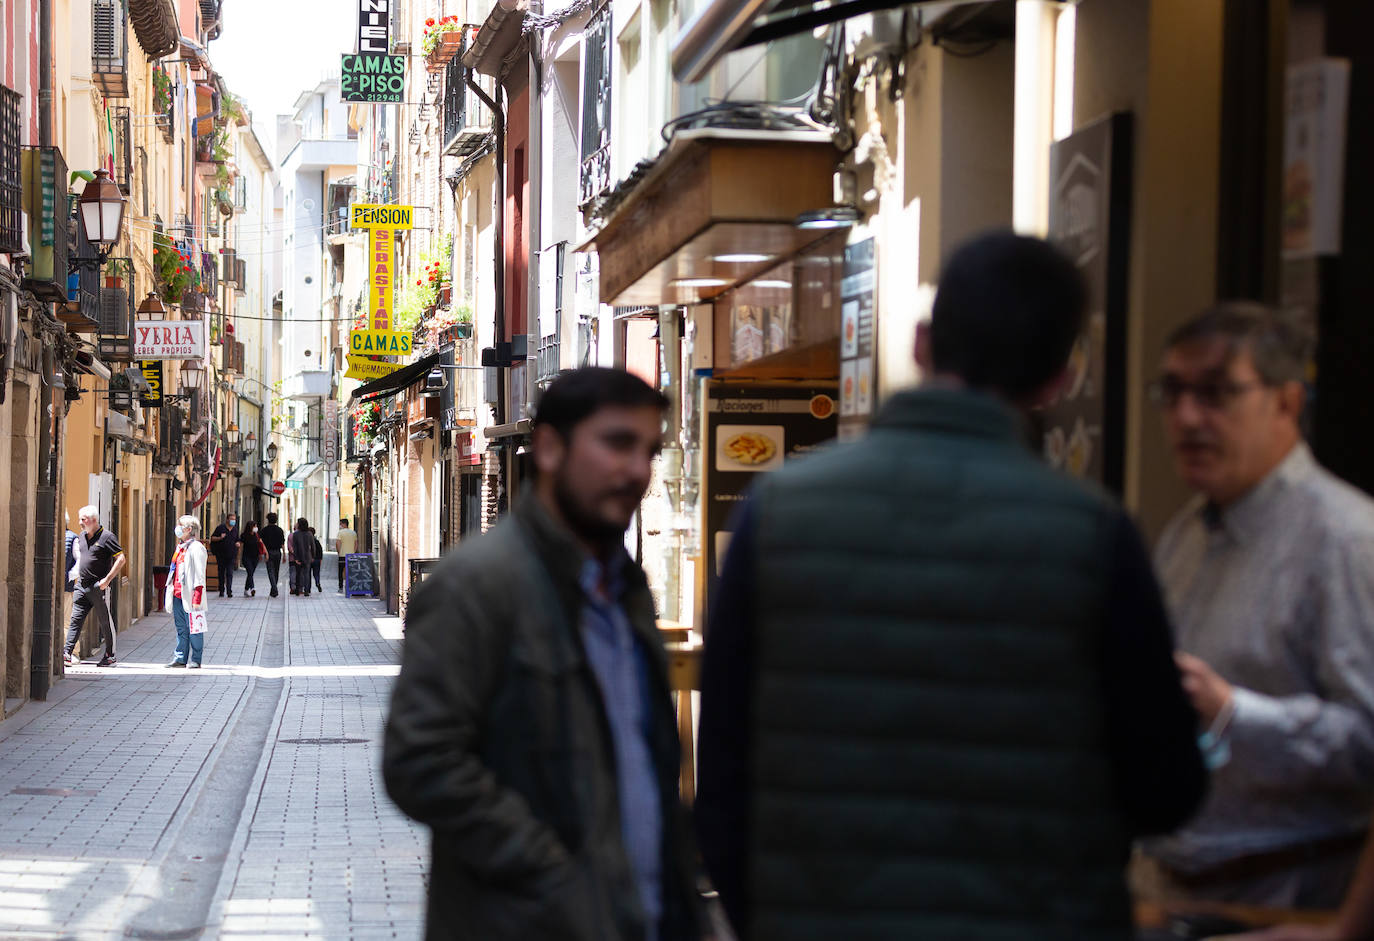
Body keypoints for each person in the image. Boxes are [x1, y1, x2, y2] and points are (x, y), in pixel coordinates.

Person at [694, 231, 1208, 941]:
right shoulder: (1092, 534)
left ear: (921, 343)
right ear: (1060, 376)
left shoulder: (779, 512)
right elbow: (1163, 789)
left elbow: (721, 770)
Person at [383, 367, 703, 941]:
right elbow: (421, 763)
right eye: (616, 443)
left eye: (649, 450)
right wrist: (560, 877)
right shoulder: (475, 585)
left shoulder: (624, 590)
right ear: (551, 448)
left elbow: (644, 763)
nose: (637, 470)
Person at [1136, 302, 1374, 908]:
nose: (1187, 418)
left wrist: (1233, 712)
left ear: (1286, 403)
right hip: (1175, 887)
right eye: (1174, 392)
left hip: (1291, 897)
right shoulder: (1187, 533)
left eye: (1216, 394)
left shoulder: (1344, 538)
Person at [63, 504, 126, 668]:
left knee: (105, 621)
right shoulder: (82, 537)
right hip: (81, 586)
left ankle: (110, 655)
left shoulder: (107, 537)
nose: (80, 522)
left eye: (83, 519)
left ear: (93, 519)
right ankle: (66, 653)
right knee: (75, 620)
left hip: (99, 587)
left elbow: (121, 559)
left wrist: (107, 580)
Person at [164, 515, 207, 669]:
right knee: (181, 628)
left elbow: (199, 575)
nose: (178, 528)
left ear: (189, 529)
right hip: (177, 594)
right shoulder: (180, 547)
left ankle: (196, 658)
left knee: (195, 628)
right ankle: (180, 657)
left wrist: (197, 598)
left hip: (191, 596)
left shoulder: (197, 548)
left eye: (180, 525)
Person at [209, 512, 240, 598]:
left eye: (234, 519)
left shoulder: (235, 530)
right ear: (227, 520)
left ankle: (229, 591)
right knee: (221, 573)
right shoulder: (220, 528)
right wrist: (220, 538)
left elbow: (237, 540)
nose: (233, 521)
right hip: (221, 555)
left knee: (230, 573)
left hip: (231, 555)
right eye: (231, 519)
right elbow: (212, 538)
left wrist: (237, 544)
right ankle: (221, 590)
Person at [259, 512, 286, 598]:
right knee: (276, 572)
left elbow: (261, 542)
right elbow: (282, 544)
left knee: (270, 571)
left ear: (268, 520)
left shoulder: (264, 530)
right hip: (278, 552)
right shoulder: (280, 530)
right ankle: (273, 590)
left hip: (268, 552)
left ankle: (274, 589)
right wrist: (284, 554)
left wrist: (264, 552)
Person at [288, 518, 314, 597]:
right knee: (306, 574)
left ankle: (297, 591)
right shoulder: (309, 534)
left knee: (298, 574)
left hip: (298, 557)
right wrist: (313, 556)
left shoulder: (296, 534)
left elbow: (295, 547)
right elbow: (313, 546)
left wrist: (295, 558)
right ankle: (306, 591)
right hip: (307, 557)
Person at [240, 520, 263, 597]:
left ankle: (246, 590)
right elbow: (241, 546)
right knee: (250, 572)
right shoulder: (244, 535)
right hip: (246, 557)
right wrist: (238, 557)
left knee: (251, 573)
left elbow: (261, 544)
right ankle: (252, 588)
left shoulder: (256, 535)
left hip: (255, 557)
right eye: (255, 526)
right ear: (250, 527)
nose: (256, 528)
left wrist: (262, 554)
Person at [335, 517, 357, 592]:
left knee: (340, 572)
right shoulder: (353, 533)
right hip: (351, 555)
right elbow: (356, 544)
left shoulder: (340, 533)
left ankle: (340, 587)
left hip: (342, 555)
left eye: (340, 524)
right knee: (351, 572)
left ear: (344, 524)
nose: (340, 525)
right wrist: (353, 552)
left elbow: (338, 543)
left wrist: (339, 552)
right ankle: (350, 586)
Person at [309, 527, 324, 592]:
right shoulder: (317, 541)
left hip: (309, 560)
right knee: (316, 573)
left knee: (307, 574)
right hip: (317, 560)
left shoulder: (307, 541)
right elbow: (320, 551)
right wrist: (320, 559)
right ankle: (317, 583)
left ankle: (308, 588)